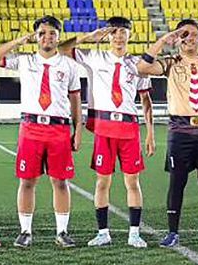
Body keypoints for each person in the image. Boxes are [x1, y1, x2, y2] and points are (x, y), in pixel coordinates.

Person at [136, 19, 198, 250]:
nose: (189, 39)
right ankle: (172, 233)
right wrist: (162, 40)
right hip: (179, 131)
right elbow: (142, 67)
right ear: (178, 38)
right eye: (184, 35)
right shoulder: (171, 63)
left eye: (193, 34)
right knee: (176, 182)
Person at [0, 15, 83, 248]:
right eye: (42, 33)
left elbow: (75, 99)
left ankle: (62, 231)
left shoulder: (69, 65)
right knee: (27, 181)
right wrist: (21, 40)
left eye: (52, 33)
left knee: (60, 182)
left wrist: (77, 128)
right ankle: (25, 231)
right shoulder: (24, 61)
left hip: (58, 128)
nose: (47, 37)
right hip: (30, 127)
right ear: (36, 37)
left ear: (58, 37)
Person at [59, 17, 154, 248]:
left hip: (129, 128)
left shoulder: (139, 64)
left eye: (122, 31)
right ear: (108, 35)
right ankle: (103, 232)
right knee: (102, 182)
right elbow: (62, 49)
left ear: (130, 35)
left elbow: (146, 100)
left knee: (132, 181)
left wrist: (150, 132)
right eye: (113, 32)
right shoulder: (94, 57)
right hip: (104, 128)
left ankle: (134, 233)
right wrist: (92, 36)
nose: (118, 36)